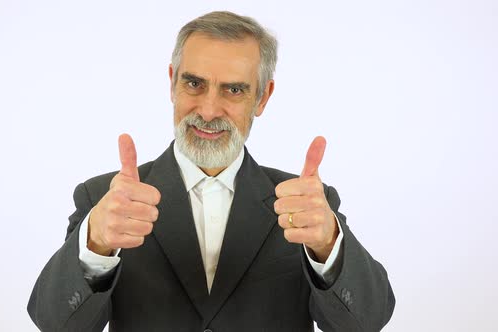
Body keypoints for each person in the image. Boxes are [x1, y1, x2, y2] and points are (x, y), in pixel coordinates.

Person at [28, 11, 395, 332]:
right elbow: (54, 323)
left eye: (233, 90)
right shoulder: (106, 200)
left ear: (262, 98)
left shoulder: (305, 203)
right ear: (172, 82)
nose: (207, 110)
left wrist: (328, 243)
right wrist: (94, 244)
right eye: (194, 83)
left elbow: (367, 323)